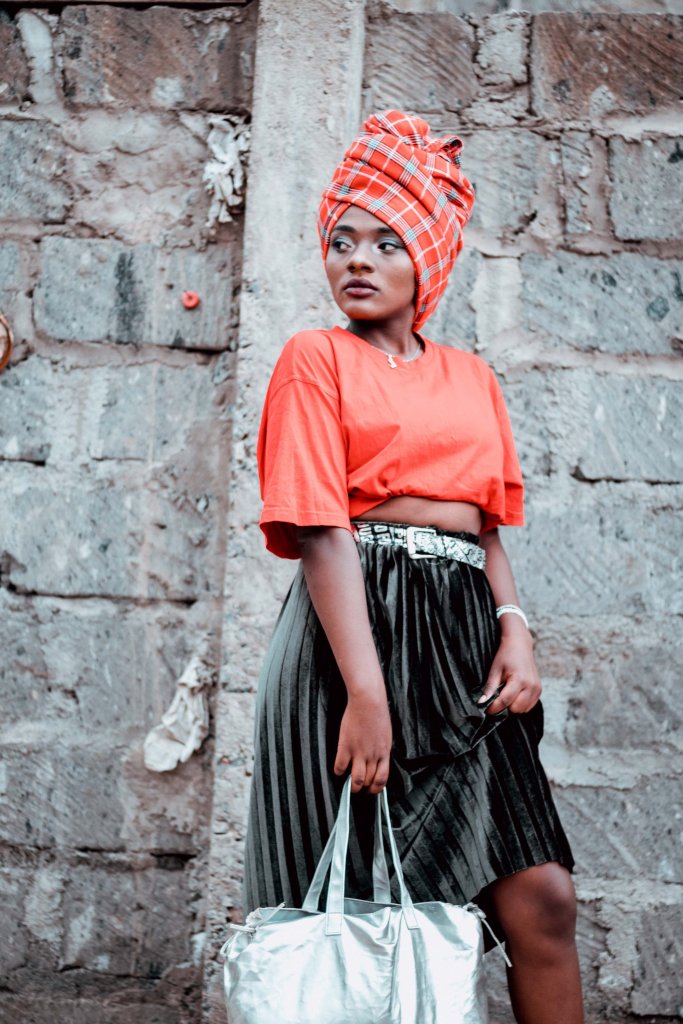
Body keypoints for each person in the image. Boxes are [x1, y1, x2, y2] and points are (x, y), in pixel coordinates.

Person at [243, 110, 583, 1024]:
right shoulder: (314, 359)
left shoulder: (471, 377)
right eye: (341, 240)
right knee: (353, 918)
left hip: (464, 645)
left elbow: (485, 528)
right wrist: (365, 693)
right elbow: (322, 533)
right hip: (352, 641)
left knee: (542, 898)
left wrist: (514, 629)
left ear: (426, 258)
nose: (357, 259)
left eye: (386, 241)